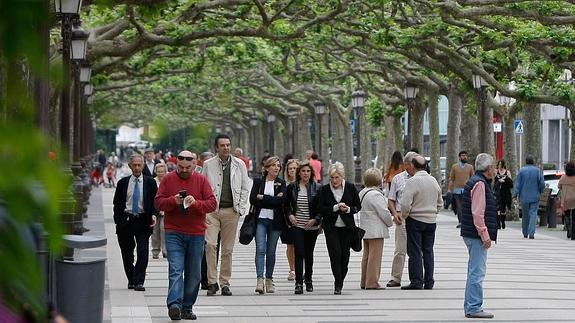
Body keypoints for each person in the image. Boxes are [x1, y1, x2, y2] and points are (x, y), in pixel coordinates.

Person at [155, 151, 217, 320]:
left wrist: (196, 203)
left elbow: (212, 204)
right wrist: (172, 201)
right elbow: (158, 202)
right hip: (173, 231)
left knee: (194, 273)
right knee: (176, 269)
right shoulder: (168, 179)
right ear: (176, 165)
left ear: (195, 165)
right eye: (180, 167)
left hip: (196, 233)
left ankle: (187, 307)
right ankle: (174, 304)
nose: (183, 170)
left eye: (187, 167)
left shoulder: (201, 180)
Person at [202, 134, 251, 296]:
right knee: (210, 245)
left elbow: (245, 187)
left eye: (228, 145)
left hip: (231, 211)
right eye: (222, 145)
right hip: (212, 212)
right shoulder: (208, 165)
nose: (226, 148)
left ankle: (225, 282)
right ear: (217, 147)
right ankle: (211, 282)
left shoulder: (239, 164)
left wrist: (241, 208)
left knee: (227, 250)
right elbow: (202, 186)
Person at [112, 154, 157, 292]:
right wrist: (118, 221)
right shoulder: (122, 183)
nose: (137, 168)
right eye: (135, 165)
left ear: (143, 166)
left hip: (143, 220)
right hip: (126, 220)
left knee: (143, 252)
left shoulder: (150, 182)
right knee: (127, 253)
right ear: (130, 166)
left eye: (139, 165)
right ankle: (131, 278)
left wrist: (154, 215)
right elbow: (117, 203)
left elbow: (155, 201)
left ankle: (139, 281)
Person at [461, 153, 498, 319]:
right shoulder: (480, 184)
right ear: (489, 169)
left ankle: (471, 305)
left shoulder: (475, 181)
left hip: (470, 232)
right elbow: (478, 213)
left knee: (473, 270)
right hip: (476, 235)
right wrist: (485, 235)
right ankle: (474, 306)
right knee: (477, 272)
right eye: (494, 167)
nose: (495, 170)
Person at [316, 162, 361, 295]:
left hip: (347, 228)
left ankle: (341, 278)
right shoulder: (324, 190)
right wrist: (334, 208)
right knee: (335, 254)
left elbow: (358, 206)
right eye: (332, 178)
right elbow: (320, 208)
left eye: (337, 177)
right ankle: (338, 282)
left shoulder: (351, 188)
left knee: (345, 256)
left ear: (342, 176)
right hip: (331, 228)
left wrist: (348, 209)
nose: (334, 180)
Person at [400, 155, 443, 290]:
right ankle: (429, 281)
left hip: (415, 220)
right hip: (431, 221)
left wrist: (405, 215)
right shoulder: (433, 180)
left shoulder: (412, 182)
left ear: (413, 166)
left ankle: (416, 281)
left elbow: (405, 204)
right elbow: (440, 203)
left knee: (415, 252)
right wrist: (433, 212)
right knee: (428, 251)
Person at [249, 156, 287, 294]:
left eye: (278, 166)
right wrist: (272, 199)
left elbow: (281, 201)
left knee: (271, 251)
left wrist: (263, 198)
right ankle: (260, 279)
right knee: (260, 249)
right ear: (266, 168)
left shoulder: (281, 183)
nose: (276, 168)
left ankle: (269, 279)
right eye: (273, 165)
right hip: (260, 219)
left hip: (275, 221)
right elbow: (253, 199)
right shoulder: (258, 182)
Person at [285, 161, 321, 294]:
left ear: (311, 173)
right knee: (299, 253)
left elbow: (321, 208)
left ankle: (309, 280)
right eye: (303, 171)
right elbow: (286, 205)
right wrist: (290, 215)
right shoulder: (292, 187)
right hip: (297, 225)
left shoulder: (317, 187)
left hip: (311, 226)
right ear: (299, 173)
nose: (305, 173)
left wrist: (315, 220)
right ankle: (298, 283)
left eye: (308, 171)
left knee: (309, 254)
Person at [386, 151, 418, 288]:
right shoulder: (397, 179)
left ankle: (418, 277)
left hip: (418, 216)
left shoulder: (423, 178)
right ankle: (395, 277)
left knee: (418, 250)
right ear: (406, 165)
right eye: (412, 164)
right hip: (401, 216)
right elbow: (391, 199)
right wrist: (394, 213)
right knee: (400, 249)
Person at [359, 168, 393, 289]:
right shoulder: (376, 195)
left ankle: (364, 280)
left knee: (366, 256)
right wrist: (390, 222)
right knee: (375, 257)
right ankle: (372, 282)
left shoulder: (362, 193)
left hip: (365, 229)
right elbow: (384, 212)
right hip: (376, 230)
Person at [513, 156, 545, 239]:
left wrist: (515, 194)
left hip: (524, 197)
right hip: (535, 196)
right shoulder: (538, 171)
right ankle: (531, 233)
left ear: (526, 161)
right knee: (533, 214)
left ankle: (525, 232)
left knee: (525, 215)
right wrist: (541, 191)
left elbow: (518, 184)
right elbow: (542, 184)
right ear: (533, 161)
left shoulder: (522, 171)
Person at [282, 158, 298, 282]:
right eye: (290, 169)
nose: (292, 170)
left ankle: (300, 269)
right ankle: (292, 269)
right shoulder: (284, 184)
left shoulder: (304, 184)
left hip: (302, 218)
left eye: (294, 168)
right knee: (290, 245)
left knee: (302, 245)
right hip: (287, 219)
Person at [449, 151, 474, 228]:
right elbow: (451, 178)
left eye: (466, 156)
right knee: (459, 207)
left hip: (467, 190)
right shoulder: (455, 167)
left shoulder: (470, 167)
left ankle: (465, 221)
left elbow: (472, 178)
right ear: (459, 157)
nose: (464, 157)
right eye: (463, 156)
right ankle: (461, 221)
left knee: (465, 207)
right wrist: (449, 190)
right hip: (456, 190)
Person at [151, 163, 168, 259]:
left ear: (165, 172)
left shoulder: (169, 181)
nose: (160, 173)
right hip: (155, 210)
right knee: (154, 231)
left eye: (162, 172)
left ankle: (165, 251)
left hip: (166, 210)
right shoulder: (153, 182)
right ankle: (155, 251)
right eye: (158, 171)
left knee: (164, 230)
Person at [493, 160, 513, 229]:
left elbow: (511, 183)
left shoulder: (507, 172)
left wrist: (506, 179)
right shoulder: (496, 171)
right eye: (499, 164)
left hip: (505, 193)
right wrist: (498, 180)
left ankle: (503, 221)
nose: (500, 166)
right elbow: (494, 182)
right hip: (498, 193)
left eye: (501, 164)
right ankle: (498, 223)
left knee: (503, 208)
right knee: (498, 208)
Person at [558, 161, 575, 240]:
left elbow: (559, 186)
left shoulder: (563, 177)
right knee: (574, 217)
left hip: (565, 200)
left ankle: (568, 229)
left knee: (567, 215)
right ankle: (573, 234)